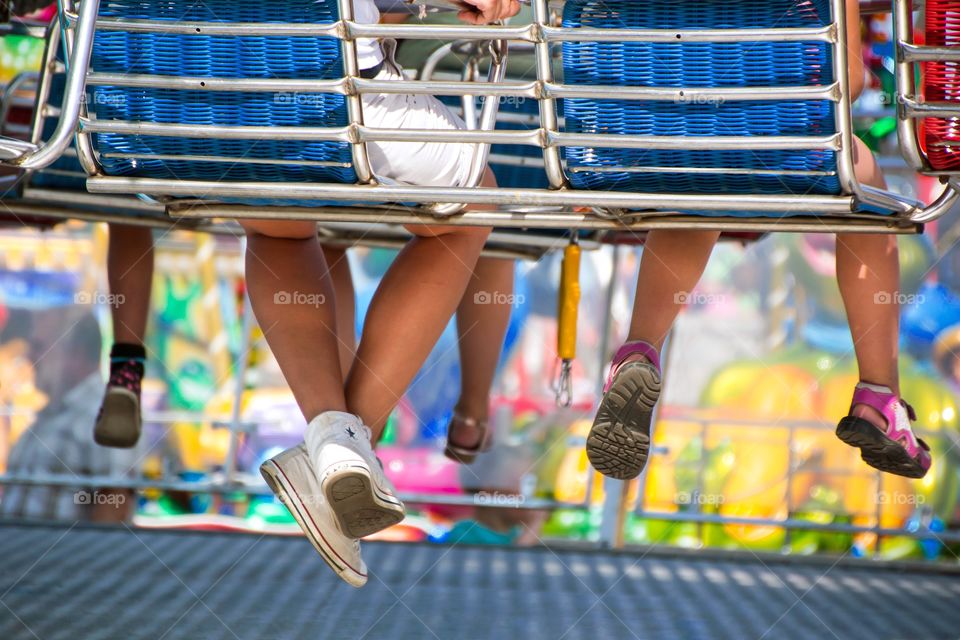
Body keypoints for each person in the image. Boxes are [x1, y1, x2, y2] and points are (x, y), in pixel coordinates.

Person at [586, 0, 932, 482]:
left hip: (640, 141)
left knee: (698, 186)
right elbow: (848, 82)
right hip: (790, 150)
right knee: (867, 183)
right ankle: (879, 397)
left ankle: (639, 349)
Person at [254, 0, 521, 588]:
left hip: (168, 103)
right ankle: (344, 445)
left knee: (276, 222)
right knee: (471, 206)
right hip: (333, 92)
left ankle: (336, 444)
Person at [2, 311, 136, 522]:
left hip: (63, 555)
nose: (29, 357)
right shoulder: (52, 412)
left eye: (39, 346)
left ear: (75, 353)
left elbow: (113, 510)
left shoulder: (103, 414)